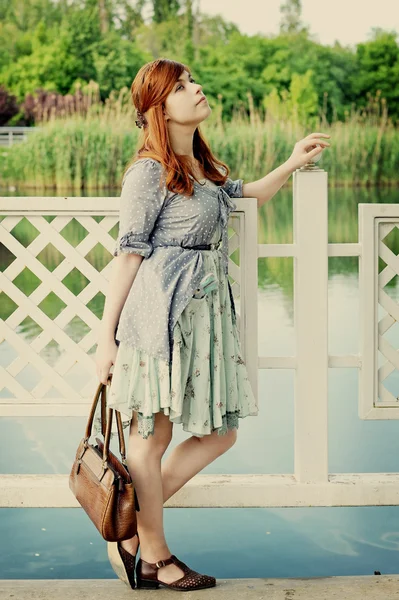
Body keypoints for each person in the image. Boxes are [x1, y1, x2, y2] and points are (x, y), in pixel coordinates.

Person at [94, 57, 330, 592]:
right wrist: (105, 340)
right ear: (159, 108)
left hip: (203, 324)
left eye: (193, 81)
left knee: (220, 433)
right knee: (151, 439)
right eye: (182, 86)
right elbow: (128, 255)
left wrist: (292, 163)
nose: (197, 89)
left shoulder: (197, 168)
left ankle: (127, 532)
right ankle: (156, 554)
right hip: (159, 320)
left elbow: (249, 196)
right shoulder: (147, 172)